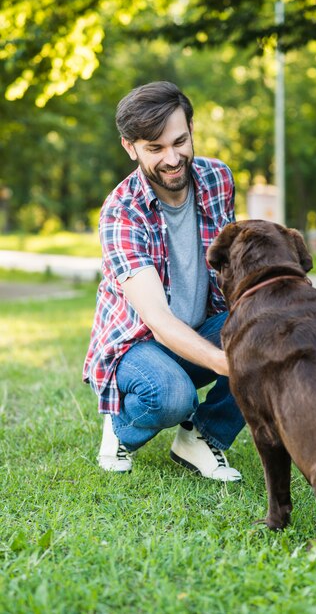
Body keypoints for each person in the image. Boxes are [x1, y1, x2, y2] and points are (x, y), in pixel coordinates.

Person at [83, 81, 245, 481]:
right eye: (155, 148)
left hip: (201, 326)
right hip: (137, 344)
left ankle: (201, 438)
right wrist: (233, 364)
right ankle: (120, 425)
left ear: (190, 128)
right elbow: (156, 318)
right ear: (130, 147)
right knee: (172, 396)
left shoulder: (218, 178)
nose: (173, 159)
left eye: (180, 141)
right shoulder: (121, 212)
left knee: (271, 332)